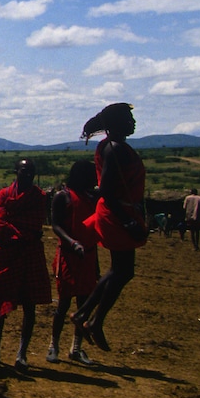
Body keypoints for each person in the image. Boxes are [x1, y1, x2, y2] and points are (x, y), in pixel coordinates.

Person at [71, 102, 148, 353]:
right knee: (122, 270)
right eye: (128, 118)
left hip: (118, 211)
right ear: (115, 123)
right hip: (117, 213)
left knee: (121, 270)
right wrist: (127, 221)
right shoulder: (115, 149)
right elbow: (106, 189)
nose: (133, 122)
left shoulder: (110, 146)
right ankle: (91, 319)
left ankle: (86, 315)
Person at [0, 158, 50, 371]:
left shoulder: (39, 197)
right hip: (8, 255)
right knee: (1, 304)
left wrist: (20, 234)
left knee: (29, 305)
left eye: (31, 171)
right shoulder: (4, 194)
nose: (27, 174)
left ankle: (22, 354)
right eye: (23, 170)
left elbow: (35, 223)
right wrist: (23, 236)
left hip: (29, 254)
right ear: (16, 171)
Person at [47, 160, 100, 365]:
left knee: (84, 305)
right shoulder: (63, 196)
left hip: (88, 255)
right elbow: (56, 225)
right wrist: (72, 242)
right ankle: (54, 345)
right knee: (64, 304)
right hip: (69, 256)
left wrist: (95, 264)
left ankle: (76, 348)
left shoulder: (91, 198)